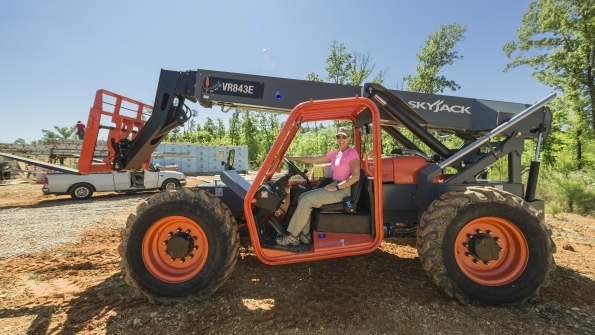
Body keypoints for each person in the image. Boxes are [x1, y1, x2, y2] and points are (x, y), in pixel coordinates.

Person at [276, 127, 361, 246]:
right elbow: (313, 159)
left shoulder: (352, 153)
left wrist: (336, 187)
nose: (341, 139)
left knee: (307, 200)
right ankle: (305, 235)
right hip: (334, 185)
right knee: (303, 196)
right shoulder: (335, 154)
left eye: (344, 137)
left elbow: (355, 177)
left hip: (343, 190)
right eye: (338, 137)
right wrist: (291, 158)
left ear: (349, 138)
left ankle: (293, 236)